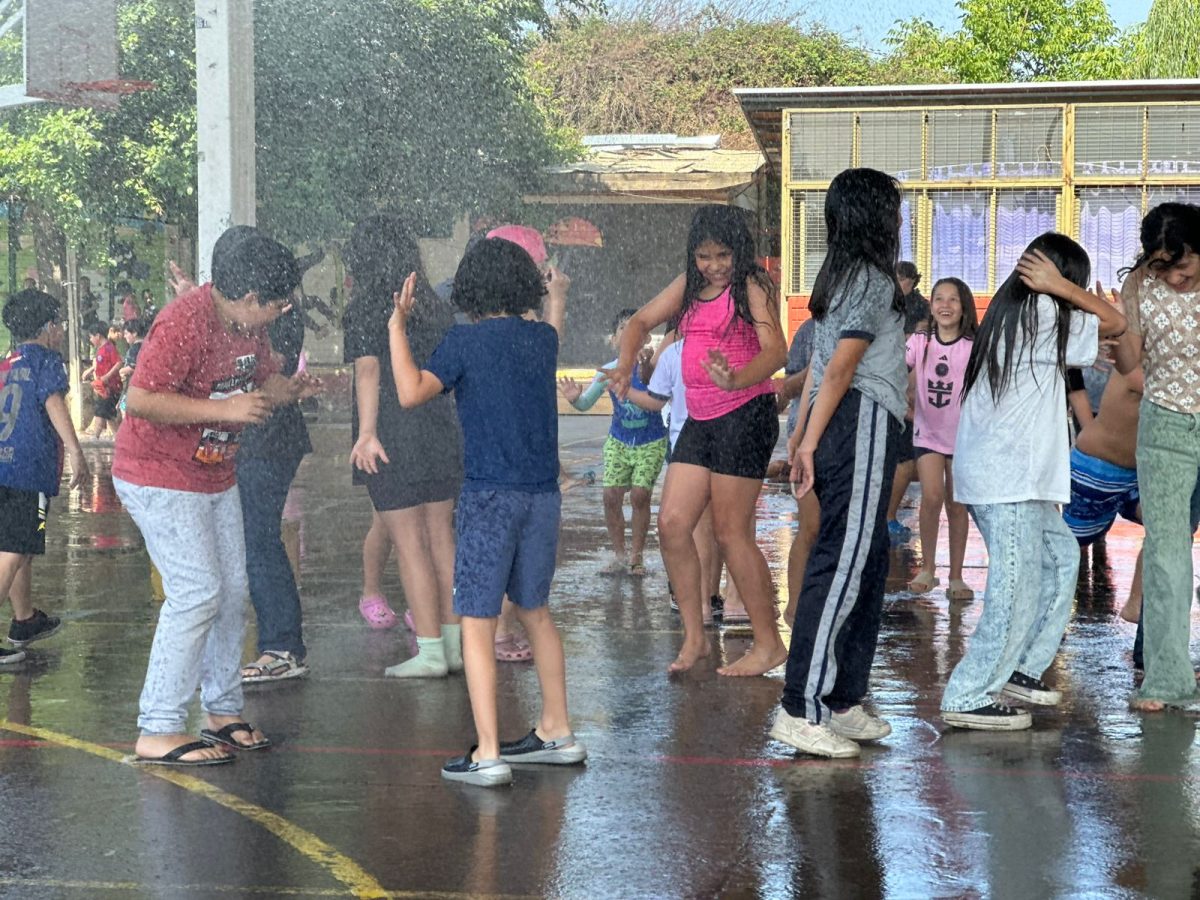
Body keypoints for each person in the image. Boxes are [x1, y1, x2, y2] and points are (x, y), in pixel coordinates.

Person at [112, 229, 318, 766]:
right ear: (249, 297)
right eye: (275, 304)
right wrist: (223, 412)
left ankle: (222, 712)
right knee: (198, 591)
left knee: (232, 589)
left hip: (212, 473)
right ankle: (157, 727)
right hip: (156, 473)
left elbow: (259, 385)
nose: (279, 313)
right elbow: (139, 400)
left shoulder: (248, 331)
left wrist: (287, 391)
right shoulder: (184, 323)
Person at [389, 236, 587, 786]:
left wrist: (395, 327)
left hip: (488, 497)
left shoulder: (463, 342)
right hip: (542, 496)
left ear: (470, 289)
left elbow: (409, 393)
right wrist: (558, 297)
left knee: (477, 621)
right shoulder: (541, 341)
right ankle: (557, 730)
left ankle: (489, 753)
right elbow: (552, 328)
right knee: (536, 611)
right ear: (526, 285)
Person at [941, 233, 1124, 731]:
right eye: (1072, 280)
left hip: (1017, 477)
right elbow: (1117, 322)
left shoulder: (1026, 316)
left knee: (1061, 558)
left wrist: (1061, 292)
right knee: (1014, 585)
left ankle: (1021, 669)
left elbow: (1097, 340)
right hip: (1008, 480)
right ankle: (969, 692)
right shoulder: (1040, 312)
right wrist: (1065, 287)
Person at [609, 205, 787, 677]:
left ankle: (769, 644)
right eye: (704, 256)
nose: (713, 265)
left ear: (739, 250)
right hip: (700, 419)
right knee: (671, 524)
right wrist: (627, 365)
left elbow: (776, 351)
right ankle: (695, 639)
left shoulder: (753, 285)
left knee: (731, 533)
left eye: (722, 254)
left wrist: (736, 380)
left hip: (746, 414)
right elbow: (638, 323)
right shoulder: (689, 286)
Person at [771, 168, 908, 759]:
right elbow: (839, 369)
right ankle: (800, 707)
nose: (901, 219)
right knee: (845, 561)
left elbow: (822, 369)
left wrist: (801, 440)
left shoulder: (839, 278)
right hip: (862, 421)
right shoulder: (873, 280)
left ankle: (843, 699)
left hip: (841, 424)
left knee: (867, 560)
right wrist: (803, 445)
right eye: (896, 210)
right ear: (880, 217)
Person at [344, 215, 465, 678]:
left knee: (409, 541)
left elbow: (369, 371)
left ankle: (431, 653)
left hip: (393, 433)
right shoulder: (432, 305)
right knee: (441, 539)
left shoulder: (364, 308)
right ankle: (455, 646)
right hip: (436, 427)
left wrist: (367, 432)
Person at [1112, 202, 1200, 712]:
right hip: (1164, 424)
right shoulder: (1141, 287)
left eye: (1183, 265)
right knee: (1168, 555)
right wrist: (1118, 341)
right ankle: (1167, 678)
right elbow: (1132, 361)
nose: (1175, 277)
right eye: (1163, 267)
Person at [0, 290, 88, 664]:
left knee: (17, 546)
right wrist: (75, 450)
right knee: (15, 549)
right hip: (27, 469)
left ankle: (25, 620)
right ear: (50, 327)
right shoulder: (47, 360)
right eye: (59, 324)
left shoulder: (7, 361)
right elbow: (53, 403)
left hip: (3, 465)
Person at [559, 308, 669, 577]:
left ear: (644, 338)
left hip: (651, 441)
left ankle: (636, 556)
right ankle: (619, 555)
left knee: (640, 495)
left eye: (636, 328)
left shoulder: (651, 368)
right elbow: (586, 404)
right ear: (614, 339)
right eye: (623, 327)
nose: (629, 332)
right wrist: (575, 398)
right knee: (610, 496)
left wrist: (644, 366)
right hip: (618, 441)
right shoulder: (608, 371)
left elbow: (659, 400)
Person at [624, 327, 722, 625]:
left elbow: (655, 399)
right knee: (717, 527)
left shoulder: (676, 352)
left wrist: (624, 389)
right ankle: (711, 596)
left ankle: (698, 600)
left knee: (688, 528)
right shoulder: (713, 346)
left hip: (689, 448)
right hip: (717, 442)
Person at [905, 277, 978, 601]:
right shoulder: (921, 343)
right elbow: (894, 366)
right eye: (939, 299)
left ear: (964, 308)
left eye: (953, 300)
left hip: (963, 437)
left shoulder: (974, 347)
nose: (945, 305)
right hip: (927, 433)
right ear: (930, 306)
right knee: (932, 496)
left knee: (957, 503)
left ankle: (957, 575)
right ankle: (928, 567)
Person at [1061, 367, 1146, 625]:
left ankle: (1136, 601)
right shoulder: (1132, 360)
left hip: (1137, 476)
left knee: (1172, 526)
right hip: (1096, 469)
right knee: (1065, 549)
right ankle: (1043, 615)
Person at [775, 317, 821, 627]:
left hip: (851, 437)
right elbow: (788, 389)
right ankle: (793, 609)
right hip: (810, 440)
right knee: (811, 526)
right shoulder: (809, 332)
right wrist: (814, 371)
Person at [885, 261, 929, 544]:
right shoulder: (885, 300)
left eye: (905, 279)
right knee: (899, 458)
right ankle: (885, 517)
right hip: (888, 383)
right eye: (897, 278)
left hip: (907, 384)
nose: (901, 283)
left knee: (906, 459)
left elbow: (918, 341)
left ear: (914, 281)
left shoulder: (919, 306)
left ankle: (887, 516)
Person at [80, 321, 122, 438]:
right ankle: (119, 439)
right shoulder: (101, 349)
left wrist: (106, 377)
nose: (90, 340)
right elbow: (99, 365)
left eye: (91, 337)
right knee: (109, 416)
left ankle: (95, 438)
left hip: (110, 388)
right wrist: (91, 371)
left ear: (98, 336)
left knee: (100, 412)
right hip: (103, 387)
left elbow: (119, 362)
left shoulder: (109, 348)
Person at [117, 317, 148, 418]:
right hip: (144, 386)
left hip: (132, 386)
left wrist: (121, 371)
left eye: (126, 333)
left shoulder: (134, 349)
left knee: (123, 408)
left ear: (134, 333)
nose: (125, 337)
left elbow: (133, 367)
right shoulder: (147, 346)